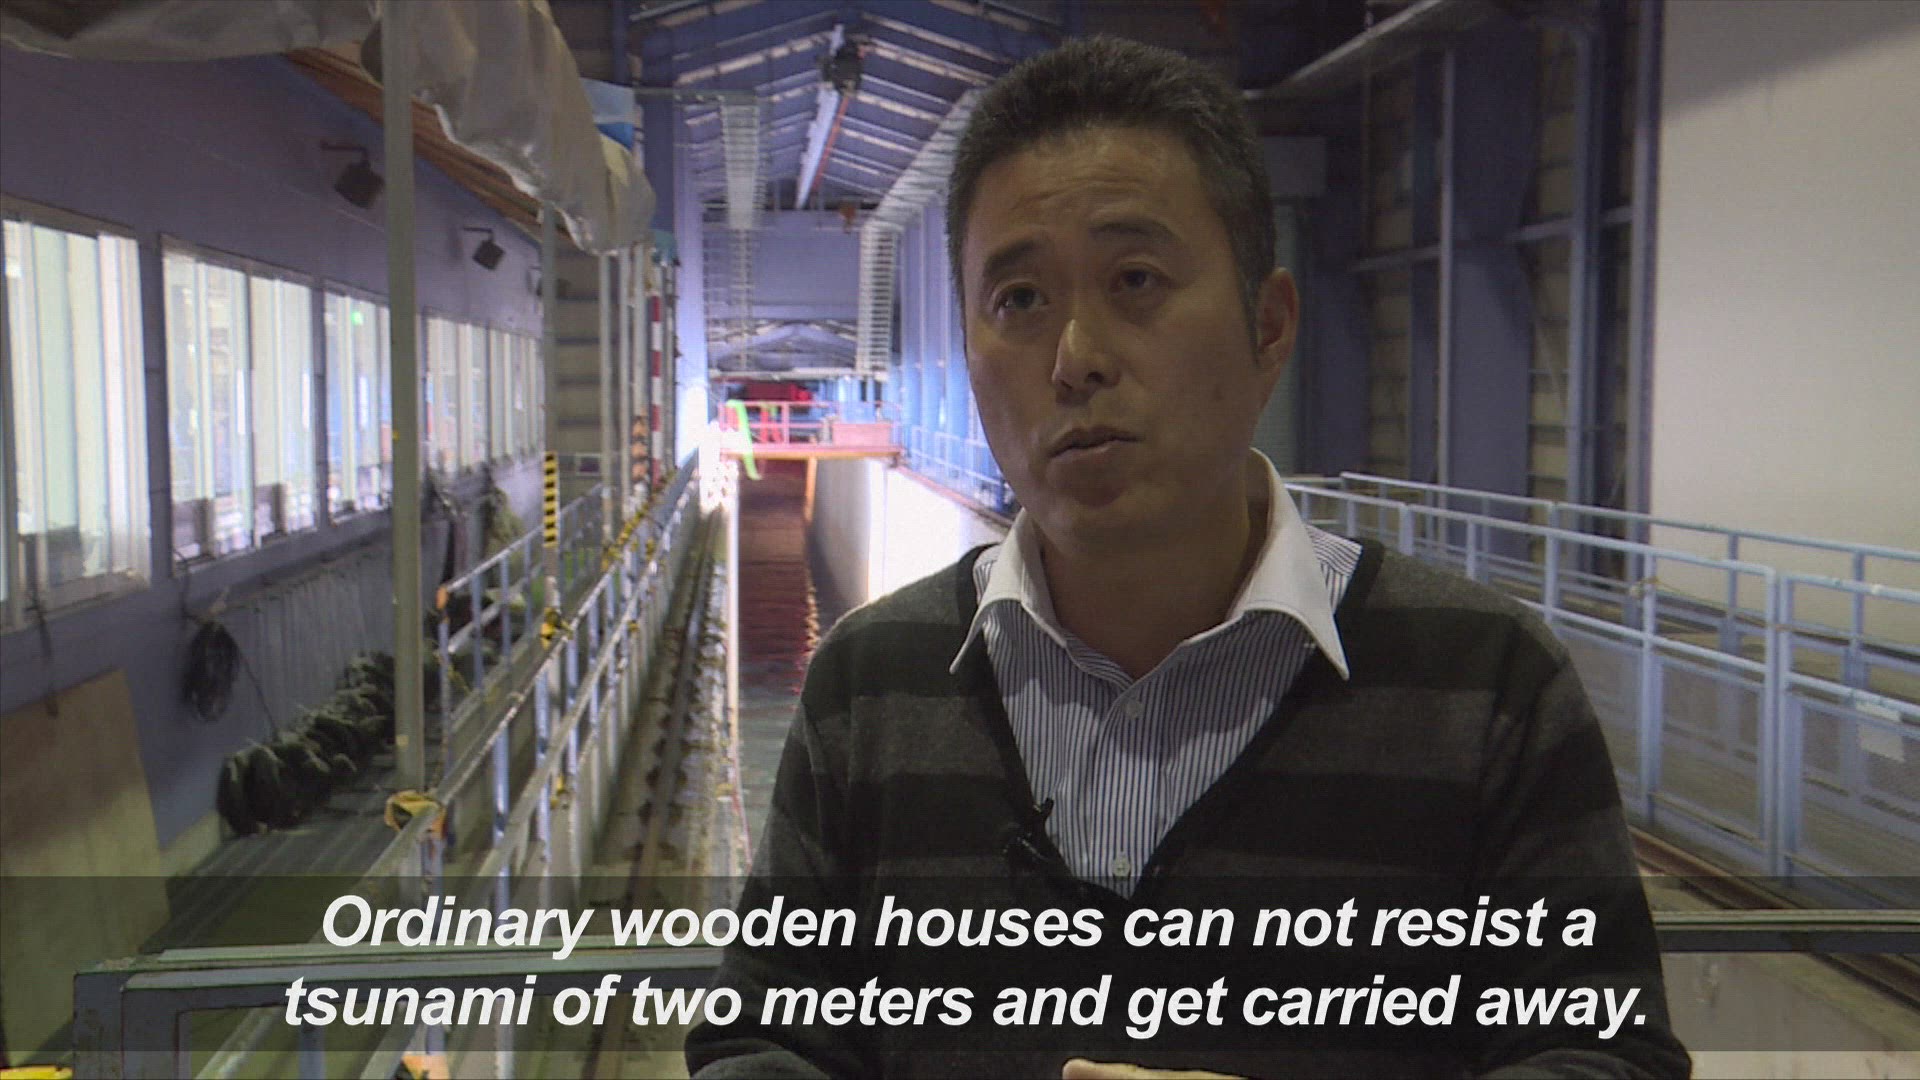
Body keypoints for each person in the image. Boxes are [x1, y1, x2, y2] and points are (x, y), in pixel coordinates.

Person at [687, 35, 1689, 1080]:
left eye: (1136, 279)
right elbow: (762, 1042)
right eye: (1019, 300)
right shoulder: (869, 690)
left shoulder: (1489, 692)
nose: (1076, 360)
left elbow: (1609, 1057)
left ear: (1269, 327)